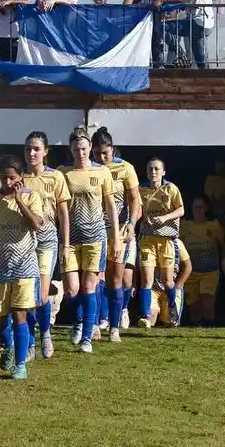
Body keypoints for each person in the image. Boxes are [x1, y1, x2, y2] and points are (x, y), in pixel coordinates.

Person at [0, 156, 44, 380]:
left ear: (21, 178)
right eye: (4, 177)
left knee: (20, 316)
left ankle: (20, 365)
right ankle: (8, 343)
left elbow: (37, 224)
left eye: (12, 178)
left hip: (24, 265)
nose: (7, 182)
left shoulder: (32, 196)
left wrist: (19, 201)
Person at [60, 126, 120, 354]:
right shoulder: (63, 173)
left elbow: (111, 206)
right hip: (71, 238)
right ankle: (79, 320)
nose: (81, 153)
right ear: (71, 149)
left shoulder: (102, 172)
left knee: (89, 286)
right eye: (76, 149)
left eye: (84, 148)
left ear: (89, 148)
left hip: (96, 236)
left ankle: (87, 336)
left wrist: (116, 237)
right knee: (72, 290)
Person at [22, 131, 70, 360]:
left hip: (48, 240)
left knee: (41, 293)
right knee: (27, 294)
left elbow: (63, 213)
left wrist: (66, 244)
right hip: (25, 243)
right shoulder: (20, 179)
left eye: (36, 149)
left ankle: (46, 334)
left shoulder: (56, 177)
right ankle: (30, 341)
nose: (31, 153)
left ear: (45, 151)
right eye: (28, 149)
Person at [91, 127, 141, 341]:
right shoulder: (90, 169)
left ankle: (114, 327)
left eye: (105, 153)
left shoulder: (125, 168)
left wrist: (131, 224)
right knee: (95, 277)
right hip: (95, 229)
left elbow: (135, 200)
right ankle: (94, 324)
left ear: (112, 149)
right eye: (97, 154)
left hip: (118, 230)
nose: (101, 158)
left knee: (116, 278)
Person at [137, 158, 185, 329]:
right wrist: (141, 219)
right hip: (148, 240)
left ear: (163, 172)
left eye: (157, 169)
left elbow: (181, 210)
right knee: (147, 280)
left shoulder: (171, 189)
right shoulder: (141, 189)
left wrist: (164, 217)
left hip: (167, 240)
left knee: (167, 281)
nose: (153, 172)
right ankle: (144, 315)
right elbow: (137, 210)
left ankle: (172, 306)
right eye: (150, 169)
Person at [183, 195, 225, 325]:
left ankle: (211, 329)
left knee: (207, 302)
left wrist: (224, 260)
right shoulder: (185, 226)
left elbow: (223, 246)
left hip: (210, 271)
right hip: (190, 273)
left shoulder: (214, 225)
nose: (198, 210)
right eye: (195, 207)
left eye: (200, 207)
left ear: (206, 208)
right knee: (194, 308)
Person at [145, 239, 191, 328]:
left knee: (170, 323)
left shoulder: (177, 244)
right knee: (149, 318)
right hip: (153, 287)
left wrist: (177, 286)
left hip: (171, 288)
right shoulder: (147, 241)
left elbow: (187, 267)